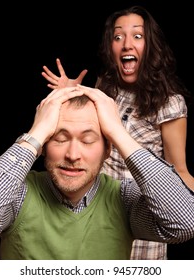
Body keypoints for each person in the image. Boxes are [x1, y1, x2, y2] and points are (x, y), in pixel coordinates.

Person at [41, 5, 194, 260]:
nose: (126, 44)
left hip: (138, 217)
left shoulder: (170, 102)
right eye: (118, 36)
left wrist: (187, 208)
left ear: (151, 45)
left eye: (137, 36)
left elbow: (179, 170)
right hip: (97, 213)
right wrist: (75, 91)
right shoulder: (105, 86)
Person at [0, 85, 194, 260]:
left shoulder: (123, 200)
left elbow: (185, 223)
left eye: (87, 140)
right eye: (59, 138)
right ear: (44, 145)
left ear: (107, 150)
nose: (73, 155)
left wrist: (117, 132)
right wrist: (35, 133)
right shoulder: (18, 194)